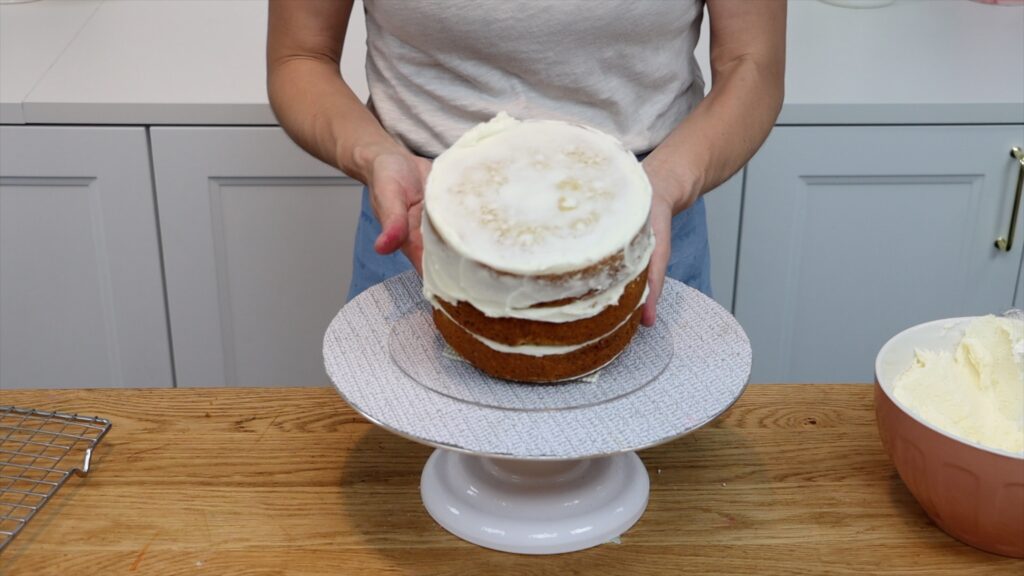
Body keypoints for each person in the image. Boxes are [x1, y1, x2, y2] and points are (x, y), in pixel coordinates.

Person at [267, 0, 785, 326]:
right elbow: (301, 56)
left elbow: (751, 63)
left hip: (647, 213)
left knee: (663, 489)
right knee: (405, 486)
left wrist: (666, 184)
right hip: (419, 219)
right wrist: (377, 156)